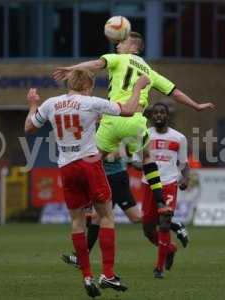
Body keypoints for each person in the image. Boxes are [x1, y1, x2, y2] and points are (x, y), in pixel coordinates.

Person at [53, 31, 212, 272]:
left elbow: (95, 65)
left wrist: (71, 69)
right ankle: (162, 203)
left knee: (92, 161)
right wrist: (196, 105)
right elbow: (175, 92)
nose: (118, 44)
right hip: (135, 118)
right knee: (147, 157)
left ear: (133, 48)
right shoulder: (150, 71)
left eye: (123, 42)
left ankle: (85, 205)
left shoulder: (118, 59)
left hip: (112, 117)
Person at [24, 69, 150, 298]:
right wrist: (138, 87)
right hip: (89, 164)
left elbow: (29, 127)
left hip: (66, 167)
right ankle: (108, 274)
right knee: (106, 216)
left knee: (77, 222)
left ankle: (87, 276)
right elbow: (130, 110)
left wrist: (33, 104)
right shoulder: (91, 102)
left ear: (69, 84)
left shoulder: (51, 103)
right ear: (88, 86)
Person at [137, 102, 190, 278]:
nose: (159, 115)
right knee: (148, 229)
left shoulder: (179, 138)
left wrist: (186, 178)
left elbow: (184, 164)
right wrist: (137, 163)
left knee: (165, 223)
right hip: (148, 185)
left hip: (168, 184)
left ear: (167, 116)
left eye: (162, 112)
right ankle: (170, 248)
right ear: (151, 116)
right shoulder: (144, 135)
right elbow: (137, 159)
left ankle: (159, 268)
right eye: (155, 113)